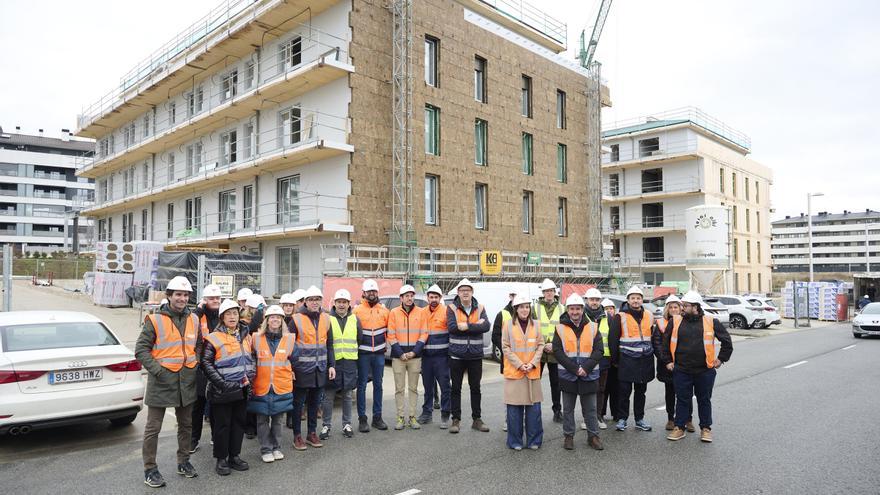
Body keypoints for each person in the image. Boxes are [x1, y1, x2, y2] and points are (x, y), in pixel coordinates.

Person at [135, 276, 201, 488]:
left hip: (186, 381)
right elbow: (141, 350)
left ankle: (183, 461)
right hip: (162, 382)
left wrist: (196, 361)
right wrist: (158, 371)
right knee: (153, 428)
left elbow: (197, 345)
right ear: (169, 296)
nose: (182, 298)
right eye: (178, 294)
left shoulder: (194, 319)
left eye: (185, 295)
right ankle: (150, 469)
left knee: (186, 425)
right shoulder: (155, 320)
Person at [662, 291, 733, 443]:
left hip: (704, 370)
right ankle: (679, 427)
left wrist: (721, 359)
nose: (682, 308)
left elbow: (727, 342)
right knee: (682, 399)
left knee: (704, 399)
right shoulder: (675, 321)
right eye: (682, 305)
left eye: (685, 306)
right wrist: (668, 361)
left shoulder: (710, 321)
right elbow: (665, 343)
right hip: (681, 370)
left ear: (695, 307)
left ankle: (706, 429)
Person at [201, 299, 252, 476]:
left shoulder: (245, 335)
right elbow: (206, 363)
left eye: (235, 313)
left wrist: (250, 378)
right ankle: (221, 459)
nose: (232, 317)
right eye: (228, 314)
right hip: (221, 390)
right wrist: (222, 383)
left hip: (242, 388)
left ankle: (234, 456)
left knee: (238, 424)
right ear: (222, 317)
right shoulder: (213, 337)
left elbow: (250, 358)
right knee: (222, 425)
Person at [554, 294, 604, 451]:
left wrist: (586, 368)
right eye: (572, 309)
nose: (575, 312)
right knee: (568, 409)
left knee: (590, 409)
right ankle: (568, 436)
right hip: (568, 375)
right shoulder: (560, 328)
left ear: (583, 310)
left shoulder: (593, 327)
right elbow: (557, 351)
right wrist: (575, 369)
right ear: (567, 310)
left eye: (577, 309)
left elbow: (599, 350)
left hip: (588, 375)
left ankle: (593, 436)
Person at [247, 305, 295, 463]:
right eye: (272, 317)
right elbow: (250, 359)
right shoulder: (255, 338)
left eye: (278, 317)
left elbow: (294, 359)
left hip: (281, 385)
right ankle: (266, 449)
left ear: (282, 321)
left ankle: (277, 447)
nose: (275, 320)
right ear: (266, 320)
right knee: (261, 420)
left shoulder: (289, 339)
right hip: (261, 385)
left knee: (278, 420)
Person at [289, 286, 336, 450]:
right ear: (306, 302)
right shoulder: (295, 319)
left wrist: (332, 365)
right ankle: (297, 436)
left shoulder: (326, 318)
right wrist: (291, 368)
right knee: (299, 403)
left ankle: (311, 433)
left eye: (318, 299)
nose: (315, 302)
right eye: (311, 299)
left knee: (315, 403)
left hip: (320, 368)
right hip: (301, 368)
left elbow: (329, 344)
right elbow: (289, 346)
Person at [446, 278, 491, 434]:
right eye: (462, 290)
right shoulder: (451, 308)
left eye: (468, 290)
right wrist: (475, 325)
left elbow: (486, 326)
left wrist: (467, 326)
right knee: (456, 389)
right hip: (456, 356)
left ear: (472, 292)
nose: (465, 293)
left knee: (476, 388)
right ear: (458, 292)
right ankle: (455, 420)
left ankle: (476, 419)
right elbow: (452, 328)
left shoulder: (480, 307)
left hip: (475, 356)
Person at [609, 286, 655, 432]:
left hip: (644, 360)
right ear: (628, 300)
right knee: (624, 392)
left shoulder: (649, 315)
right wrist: (615, 360)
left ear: (642, 300)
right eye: (633, 298)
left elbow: (652, 336)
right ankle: (622, 419)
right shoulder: (620, 316)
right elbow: (613, 340)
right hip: (627, 360)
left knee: (641, 392)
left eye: (638, 298)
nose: (636, 301)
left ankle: (639, 419)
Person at [501, 293, 544, 450]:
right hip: (515, 372)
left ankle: (534, 441)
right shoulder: (507, 325)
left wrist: (532, 363)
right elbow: (505, 347)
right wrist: (520, 364)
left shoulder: (537, 325)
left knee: (534, 410)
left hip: (532, 371)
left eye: (527, 307)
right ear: (515, 309)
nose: (524, 310)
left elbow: (541, 345)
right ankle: (515, 441)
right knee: (514, 411)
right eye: (521, 307)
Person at [320, 289, 361, 440]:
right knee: (329, 396)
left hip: (349, 362)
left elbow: (360, 338)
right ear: (334, 303)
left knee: (348, 395)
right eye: (339, 302)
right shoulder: (327, 319)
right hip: (333, 363)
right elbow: (326, 342)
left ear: (349, 304)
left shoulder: (355, 319)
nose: (342, 305)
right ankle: (326, 425)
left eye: (344, 302)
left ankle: (347, 424)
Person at [387, 285, 428, 430]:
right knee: (399, 388)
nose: (409, 298)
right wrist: (400, 353)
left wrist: (414, 352)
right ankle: (400, 417)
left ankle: (412, 417)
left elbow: (424, 333)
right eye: (406, 296)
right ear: (401, 298)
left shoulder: (421, 312)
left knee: (413, 388)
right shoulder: (393, 312)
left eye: (411, 295)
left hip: (415, 357)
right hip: (399, 357)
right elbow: (390, 334)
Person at [353, 279, 390, 433]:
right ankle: (362, 419)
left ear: (377, 293)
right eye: (369, 291)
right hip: (363, 354)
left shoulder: (384, 311)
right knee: (361, 386)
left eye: (374, 291)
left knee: (378, 385)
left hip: (379, 354)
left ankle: (377, 417)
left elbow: (389, 331)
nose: (372, 294)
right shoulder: (356, 311)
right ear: (364, 293)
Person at [652, 295, 693, 433]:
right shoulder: (661, 323)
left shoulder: (687, 321)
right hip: (667, 365)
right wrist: (666, 360)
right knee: (670, 393)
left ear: (681, 308)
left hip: (684, 364)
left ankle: (688, 419)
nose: (674, 309)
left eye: (676, 307)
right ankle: (671, 418)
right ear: (667, 309)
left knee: (685, 393)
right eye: (671, 307)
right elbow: (657, 343)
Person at [191, 284, 222, 454]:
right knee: (198, 405)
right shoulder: (197, 317)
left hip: (219, 365)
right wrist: (198, 311)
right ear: (204, 300)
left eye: (217, 298)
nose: (215, 301)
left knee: (217, 405)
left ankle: (215, 436)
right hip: (201, 368)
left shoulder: (223, 316)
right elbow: (189, 325)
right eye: (211, 298)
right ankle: (193, 439)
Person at [419, 284, 452, 428]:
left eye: (436, 297)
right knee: (428, 388)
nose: (433, 299)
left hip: (442, 358)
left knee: (445, 387)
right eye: (431, 297)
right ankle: (427, 413)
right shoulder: (422, 312)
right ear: (427, 298)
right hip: (426, 357)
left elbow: (451, 333)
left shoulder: (446, 312)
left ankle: (445, 415)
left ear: (440, 298)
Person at [533, 278, 563, 424]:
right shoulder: (535, 308)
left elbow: (565, 331)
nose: (549, 293)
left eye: (551, 291)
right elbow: (531, 329)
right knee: (534, 381)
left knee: (556, 383)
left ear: (554, 292)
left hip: (555, 351)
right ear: (543, 293)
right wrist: (543, 344)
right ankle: (533, 408)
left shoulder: (562, 308)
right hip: (539, 350)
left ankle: (557, 411)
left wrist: (554, 345)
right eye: (546, 291)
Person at [492, 289, 516, 433]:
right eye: (514, 295)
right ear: (510, 296)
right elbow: (495, 336)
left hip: (525, 361)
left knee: (524, 394)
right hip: (508, 361)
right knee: (510, 393)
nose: (516, 299)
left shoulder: (527, 312)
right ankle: (509, 421)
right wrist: (507, 349)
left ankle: (521, 420)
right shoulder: (503, 314)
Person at [583, 288, 608, 431]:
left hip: (603, 358)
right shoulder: (581, 315)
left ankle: (598, 416)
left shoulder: (606, 317)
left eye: (597, 300)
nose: (594, 302)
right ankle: (587, 418)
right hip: (586, 358)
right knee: (586, 389)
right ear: (587, 300)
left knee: (600, 389)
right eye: (592, 299)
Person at [281, 289, 305, 429]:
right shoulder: (277, 318)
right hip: (281, 357)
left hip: (294, 358)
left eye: (290, 305)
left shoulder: (297, 320)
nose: (288, 308)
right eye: (286, 305)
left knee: (293, 390)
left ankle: (291, 417)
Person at [599, 298, 620, 424]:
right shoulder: (601, 320)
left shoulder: (617, 321)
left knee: (615, 389)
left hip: (615, 360)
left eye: (611, 308)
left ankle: (616, 414)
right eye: (606, 308)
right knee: (603, 388)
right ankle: (601, 413)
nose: (609, 311)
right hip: (604, 359)